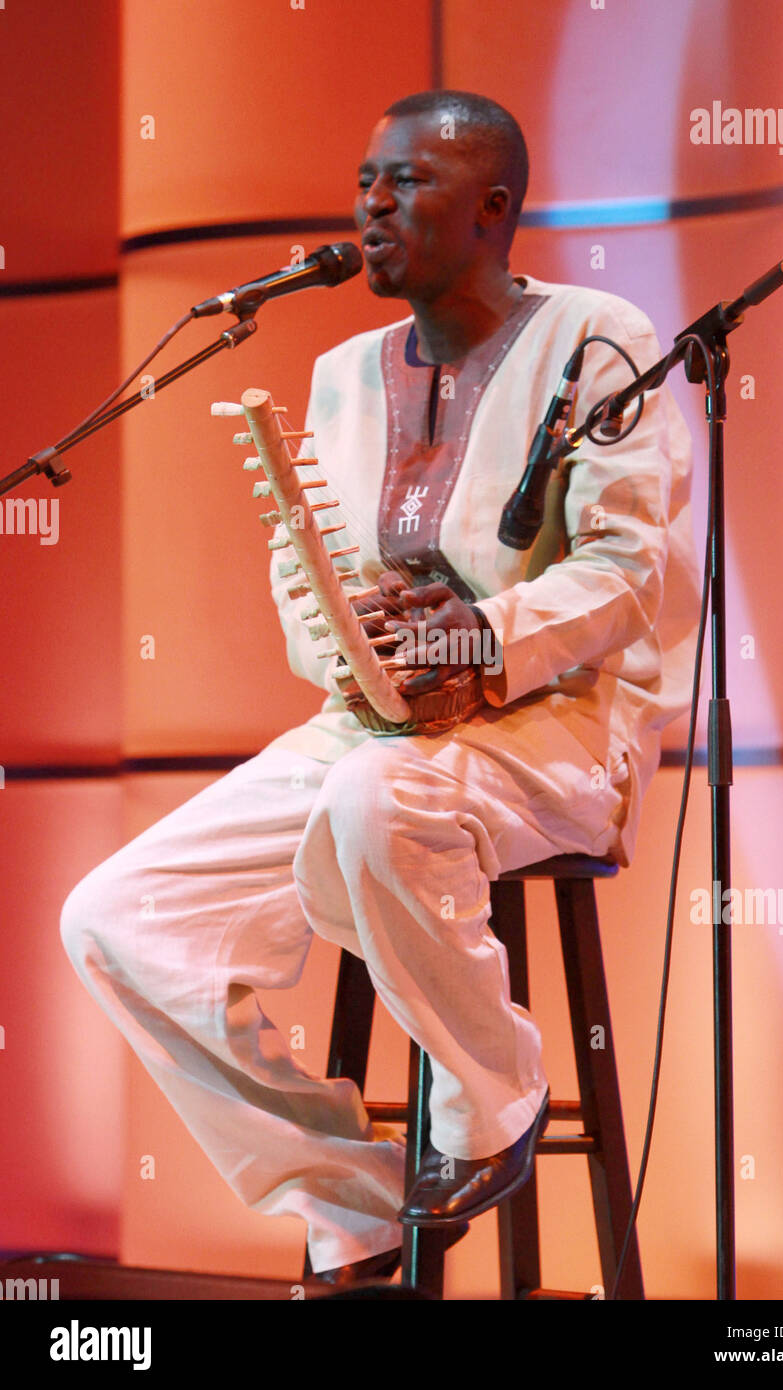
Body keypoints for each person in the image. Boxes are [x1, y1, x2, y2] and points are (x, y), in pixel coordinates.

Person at [60, 90, 701, 1293]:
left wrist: (478, 638)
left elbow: (628, 570)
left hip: (554, 726)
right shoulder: (344, 369)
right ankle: (344, 1194)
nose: (370, 202)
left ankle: (493, 1096)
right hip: (366, 727)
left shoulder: (594, 339)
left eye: (407, 182)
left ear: (493, 209)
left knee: (372, 798)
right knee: (115, 916)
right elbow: (302, 580)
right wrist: (358, 652)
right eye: (366, 179)